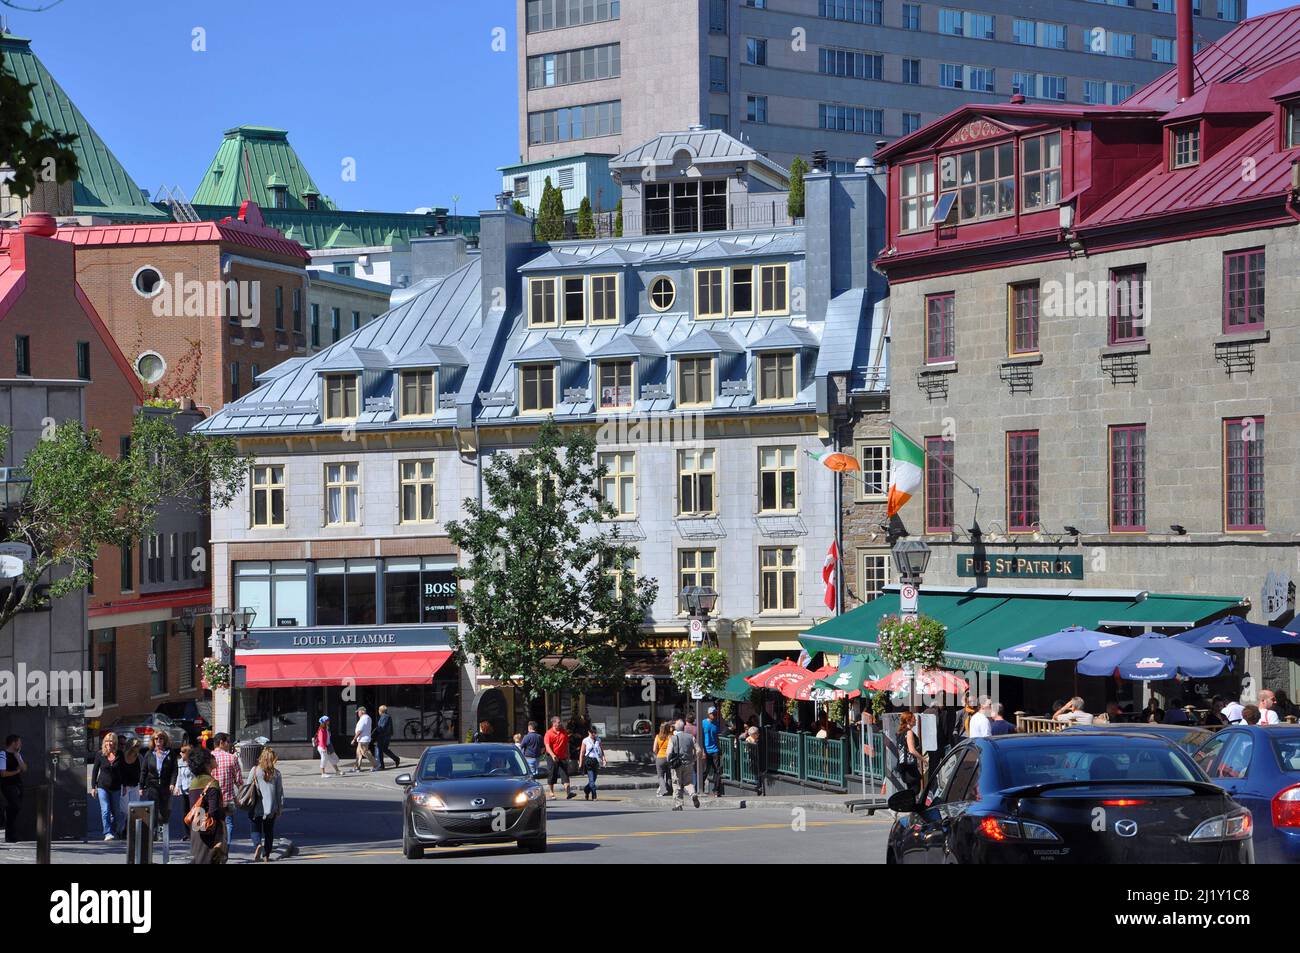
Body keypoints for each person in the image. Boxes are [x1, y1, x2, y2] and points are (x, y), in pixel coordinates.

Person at [184, 746, 226, 865]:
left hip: (197, 827)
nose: (214, 759)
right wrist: (225, 811)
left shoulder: (194, 782)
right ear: (206, 762)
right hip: (210, 831)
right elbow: (214, 811)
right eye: (212, 757)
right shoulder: (212, 783)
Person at [137, 730, 177, 837]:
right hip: (152, 784)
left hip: (165, 785)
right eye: (156, 739)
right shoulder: (149, 754)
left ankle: (161, 831)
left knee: (163, 810)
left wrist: (172, 783)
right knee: (153, 809)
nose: (158, 741)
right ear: (153, 741)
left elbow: (174, 770)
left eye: (161, 739)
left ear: (164, 740)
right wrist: (141, 786)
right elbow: (144, 771)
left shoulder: (170, 753)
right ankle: (153, 831)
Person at [247, 747, 285, 862]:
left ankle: (258, 844)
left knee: (255, 828)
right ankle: (266, 855)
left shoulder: (255, 770)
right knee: (269, 832)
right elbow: (280, 793)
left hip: (256, 806)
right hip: (271, 808)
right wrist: (279, 808)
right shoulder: (277, 774)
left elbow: (248, 785)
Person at [209, 733, 243, 850]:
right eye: (227, 742)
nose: (229, 744)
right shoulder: (232, 758)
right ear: (221, 743)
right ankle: (225, 848)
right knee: (228, 823)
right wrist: (240, 797)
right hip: (228, 798)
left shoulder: (208, 757)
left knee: (212, 822)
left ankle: (214, 846)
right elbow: (238, 781)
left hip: (211, 798)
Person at [91, 733, 122, 841]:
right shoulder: (100, 754)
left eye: (111, 741)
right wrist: (93, 787)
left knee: (115, 812)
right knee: (105, 810)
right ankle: (107, 832)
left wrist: (125, 785)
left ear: (115, 743)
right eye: (107, 741)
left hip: (116, 787)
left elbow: (123, 771)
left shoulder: (120, 754)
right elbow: (95, 771)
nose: (109, 743)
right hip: (102, 786)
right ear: (104, 742)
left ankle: (114, 830)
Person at [668, 719, 700, 811]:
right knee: (688, 782)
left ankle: (678, 804)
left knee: (676, 783)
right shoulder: (691, 737)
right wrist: (693, 759)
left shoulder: (673, 738)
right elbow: (698, 750)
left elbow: (669, 752)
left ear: (676, 728)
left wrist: (669, 761)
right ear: (683, 727)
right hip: (688, 763)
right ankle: (693, 794)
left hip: (677, 764)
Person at [0, 735, 26, 843]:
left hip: (18, 785)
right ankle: (10, 834)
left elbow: (24, 768)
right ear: (13, 743)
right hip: (8, 785)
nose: (20, 744)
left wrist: (17, 756)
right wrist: (16, 772)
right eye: (19, 742)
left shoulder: (17, 754)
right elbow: (3, 773)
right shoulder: (2, 754)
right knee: (15, 807)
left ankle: (10, 836)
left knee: (15, 809)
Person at [543, 717, 575, 799]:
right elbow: (547, 747)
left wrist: (568, 754)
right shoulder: (549, 733)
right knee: (552, 774)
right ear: (554, 723)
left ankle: (568, 793)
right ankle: (551, 792)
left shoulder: (563, 732)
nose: (560, 723)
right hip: (551, 756)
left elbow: (566, 744)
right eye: (558, 722)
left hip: (562, 756)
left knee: (565, 774)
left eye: (560, 722)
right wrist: (553, 755)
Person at [118, 738, 142, 836]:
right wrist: (123, 785)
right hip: (124, 786)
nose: (137, 748)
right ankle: (120, 829)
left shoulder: (139, 757)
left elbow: (142, 771)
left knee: (135, 809)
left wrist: (142, 786)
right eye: (135, 746)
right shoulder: (122, 757)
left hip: (135, 785)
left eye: (138, 746)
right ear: (130, 746)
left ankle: (130, 830)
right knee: (124, 810)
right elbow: (120, 772)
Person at [896, 711, 922, 794]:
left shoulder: (900, 732)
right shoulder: (909, 732)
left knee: (911, 790)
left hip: (903, 765)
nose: (915, 720)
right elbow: (912, 750)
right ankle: (910, 806)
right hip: (909, 766)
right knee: (915, 790)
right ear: (908, 720)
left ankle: (910, 805)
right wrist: (923, 759)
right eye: (914, 719)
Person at [173, 743, 195, 840]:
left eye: (182, 752)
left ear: (188, 753)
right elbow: (179, 776)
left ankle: (196, 833)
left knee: (195, 811)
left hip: (193, 790)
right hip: (184, 790)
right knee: (185, 812)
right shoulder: (180, 763)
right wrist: (177, 787)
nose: (180, 753)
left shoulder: (193, 763)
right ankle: (187, 833)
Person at [701, 706, 723, 797]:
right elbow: (700, 737)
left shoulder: (716, 724)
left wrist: (719, 748)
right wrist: (702, 750)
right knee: (706, 770)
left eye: (715, 713)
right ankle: (700, 788)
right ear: (709, 714)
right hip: (706, 750)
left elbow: (718, 737)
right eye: (712, 713)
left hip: (715, 750)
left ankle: (716, 790)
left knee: (717, 770)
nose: (714, 715)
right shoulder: (703, 723)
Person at [579, 726, 606, 800]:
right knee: (591, 780)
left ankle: (586, 790)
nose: (594, 734)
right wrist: (580, 763)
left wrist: (604, 759)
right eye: (592, 733)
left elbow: (601, 750)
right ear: (589, 732)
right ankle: (594, 795)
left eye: (595, 733)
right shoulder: (585, 740)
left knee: (593, 780)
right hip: (589, 761)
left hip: (596, 761)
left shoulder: (598, 740)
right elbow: (582, 752)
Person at [372, 705, 399, 770]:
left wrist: (375, 732)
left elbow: (382, 727)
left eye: (378, 710)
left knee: (379, 749)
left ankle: (381, 765)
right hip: (386, 735)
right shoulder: (386, 716)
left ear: (380, 711)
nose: (378, 711)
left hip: (383, 736)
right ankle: (396, 759)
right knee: (384, 749)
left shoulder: (384, 716)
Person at [652, 722, 674, 797]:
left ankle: (664, 790)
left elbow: (654, 749)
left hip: (660, 757)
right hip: (669, 757)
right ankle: (670, 790)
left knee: (660, 776)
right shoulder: (671, 736)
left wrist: (657, 753)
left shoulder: (657, 737)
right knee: (669, 775)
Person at [353, 706, 375, 772]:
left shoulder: (363, 718)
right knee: (358, 754)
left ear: (362, 711)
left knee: (365, 753)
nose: (358, 713)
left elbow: (359, 730)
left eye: (358, 712)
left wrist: (354, 739)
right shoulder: (367, 718)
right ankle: (357, 767)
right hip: (362, 739)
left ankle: (376, 765)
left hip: (363, 739)